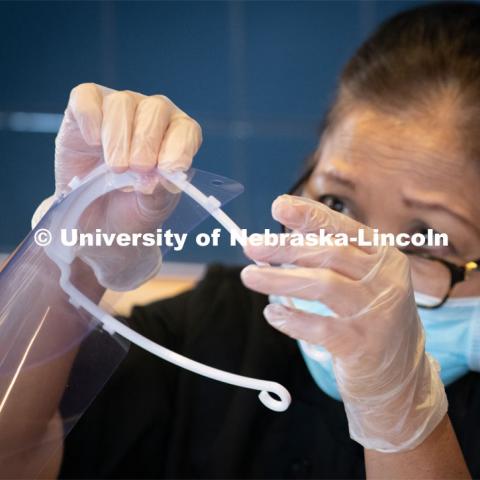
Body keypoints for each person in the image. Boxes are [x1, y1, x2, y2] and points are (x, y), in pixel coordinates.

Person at [2, 2, 480, 478]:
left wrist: (403, 419)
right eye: (337, 205)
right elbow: (15, 456)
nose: (356, 261)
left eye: (425, 239)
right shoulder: (218, 328)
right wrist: (73, 250)